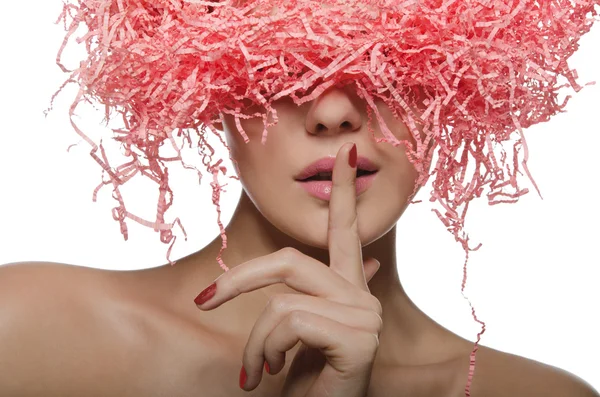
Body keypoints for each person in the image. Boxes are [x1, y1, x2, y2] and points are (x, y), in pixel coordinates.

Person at [0, 1, 599, 396]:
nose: (335, 112)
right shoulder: (30, 331)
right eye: (281, 65)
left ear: (455, 79)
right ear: (203, 85)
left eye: (388, 58)